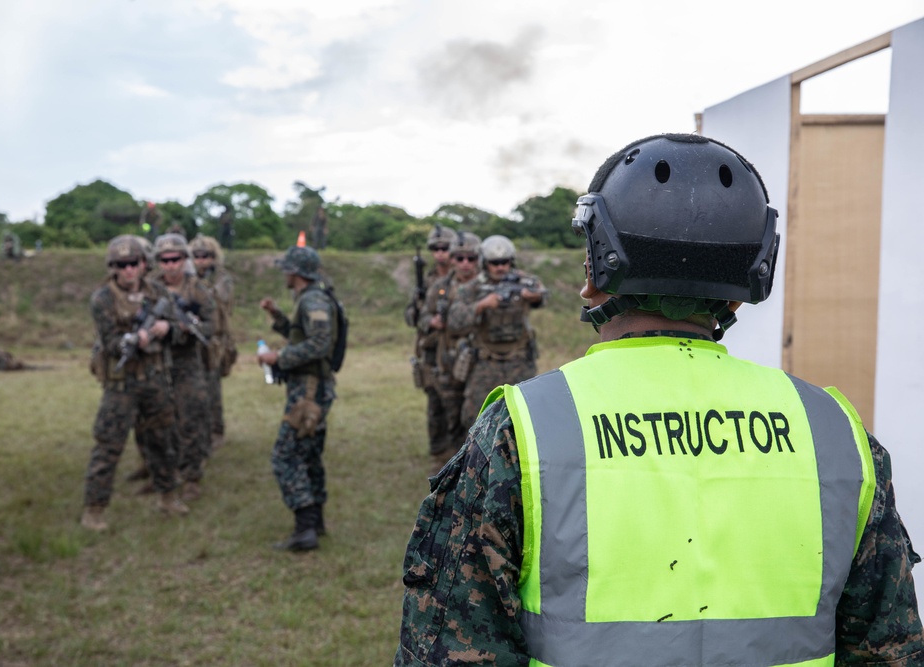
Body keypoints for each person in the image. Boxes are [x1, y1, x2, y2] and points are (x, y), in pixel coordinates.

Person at [395, 133, 924, 665]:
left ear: (593, 277)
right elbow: (891, 650)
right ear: (743, 290)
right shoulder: (835, 434)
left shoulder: (521, 430)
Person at [81, 235, 187, 532]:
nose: (128, 271)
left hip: (154, 378)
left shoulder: (157, 293)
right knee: (108, 445)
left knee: (163, 441)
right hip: (121, 383)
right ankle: (94, 509)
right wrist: (132, 340)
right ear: (113, 268)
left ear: (144, 264)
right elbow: (109, 341)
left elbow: (182, 329)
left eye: (133, 264)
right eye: (121, 265)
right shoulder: (103, 298)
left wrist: (167, 329)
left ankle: (167, 496)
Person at [257, 246, 338, 552]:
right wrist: (277, 316)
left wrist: (278, 356)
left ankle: (305, 527)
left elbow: (318, 342)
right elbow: (302, 333)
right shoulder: (308, 298)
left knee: (286, 455)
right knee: (308, 453)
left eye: (286, 268)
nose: (283, 273)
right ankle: (314, 522)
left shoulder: (314, 299)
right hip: (310, 386)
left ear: (297, 272)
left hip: (309, 390)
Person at [446, 234, 545, 430]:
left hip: (519, 361)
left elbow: (542, 294)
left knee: (525, 416)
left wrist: (534, 297)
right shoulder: (472, 288)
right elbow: (454, 322)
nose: (500, 267)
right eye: (494, 263)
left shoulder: (524, 281)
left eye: (504, 262)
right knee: (477, 418)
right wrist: (481, 305)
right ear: (485, 262)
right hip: (485, 363)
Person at [154, 233, 215, 502]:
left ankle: (191, 476)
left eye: (176, 259)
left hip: (187, 361)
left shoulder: (198, 290)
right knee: (158, 422)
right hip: (154, 362)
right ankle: (164, 475)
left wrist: (181, 328)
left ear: (184, 260)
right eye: (165, 260)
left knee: (192, 417)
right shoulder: (149, 290)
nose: (170, 265)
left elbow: (211, 326)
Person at [416, 231, 482, 473]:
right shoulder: (440, 287)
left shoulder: (487, 285)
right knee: (451, 416)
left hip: (484, 364)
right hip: (450, 362)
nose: (465, 263)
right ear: (452, 259)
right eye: (460, 258)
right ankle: (456, 467)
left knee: (477, 417)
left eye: (471, 258)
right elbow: (421, 317)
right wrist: (431, 322)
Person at [405, 225, 458, 472]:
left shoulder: (462, 277)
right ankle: (438, 453)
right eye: (435, 249)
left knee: (455, 405)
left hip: (455, 349)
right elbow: (411, 317)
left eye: (444, 248)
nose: (439, 253)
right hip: (429, 349)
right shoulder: (427, 281)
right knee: (434, 404)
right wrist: (425, 318)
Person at [190, 234, 236, 451]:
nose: (201, 260)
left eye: (205, 256)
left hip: (213, 339)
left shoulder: (221, 278)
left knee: (212, 388)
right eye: (196, 256)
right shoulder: (186, 277)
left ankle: (216, 431)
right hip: (191, 339)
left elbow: (219, 300)